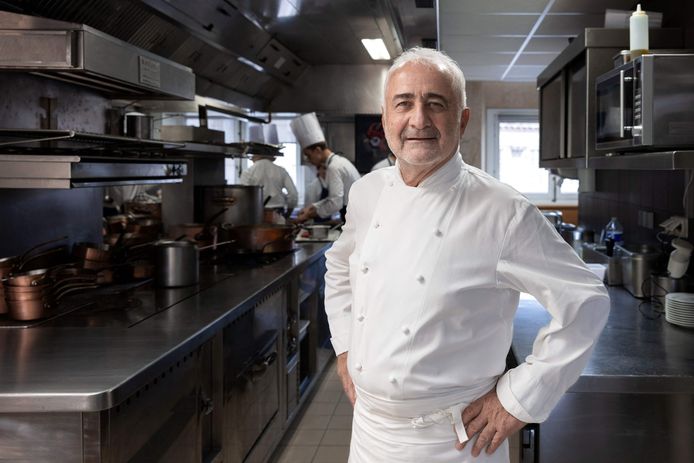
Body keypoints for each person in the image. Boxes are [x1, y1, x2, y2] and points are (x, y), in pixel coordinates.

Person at [324, 47, 610, 463]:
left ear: (462, 119)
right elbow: (338, 266)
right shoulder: (368, 192)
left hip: (453, 441)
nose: (418, 120)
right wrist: (346, 346)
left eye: (435, 104)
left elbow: (586, 301)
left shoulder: (502, 211)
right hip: (369, 434)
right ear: (385, 119)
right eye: (403, 104)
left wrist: (517, 398)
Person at [290, 112, 360, 223]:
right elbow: (335, 198)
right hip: (353, 214)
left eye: (308, 155)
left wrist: (309, 215)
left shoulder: (334, 167)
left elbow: (335, 203)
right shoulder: (339, 162)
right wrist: (313, 207)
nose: (308, 160)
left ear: (317, 150)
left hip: (354, 216)